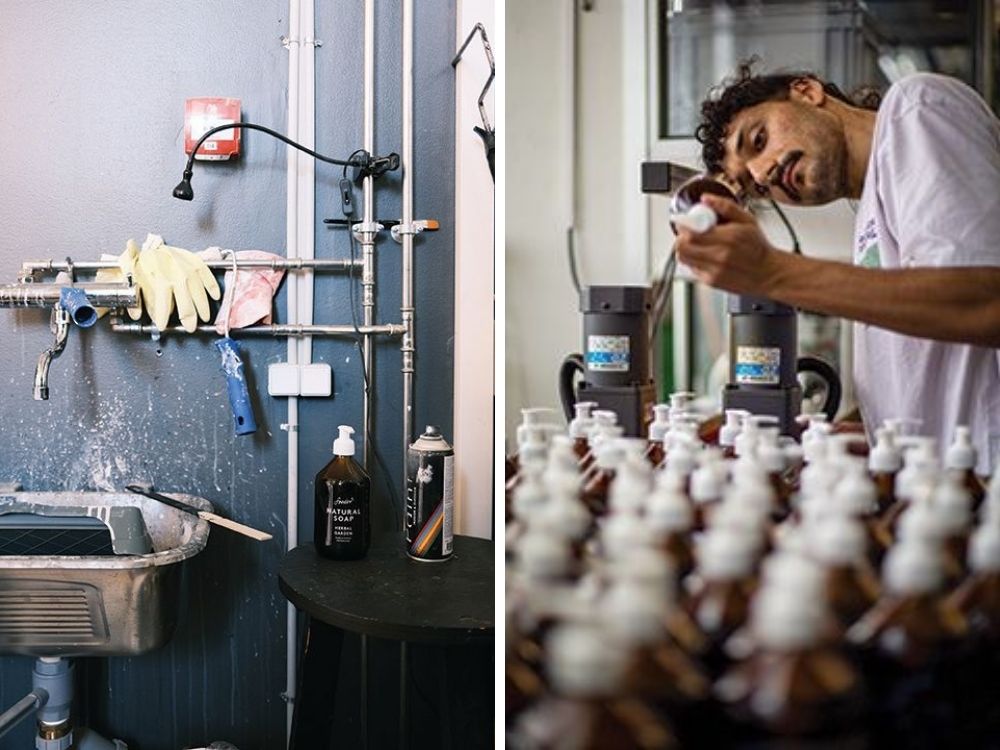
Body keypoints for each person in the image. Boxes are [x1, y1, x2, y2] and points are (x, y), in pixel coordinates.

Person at [674, 60, 1000, 475]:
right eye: (755, 187)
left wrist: (772, 273)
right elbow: (930, 365)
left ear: (807, 91)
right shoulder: (869, 212)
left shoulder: (915, 108)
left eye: (758, 139)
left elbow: (986, 300)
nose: (764, 173)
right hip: (938, 484)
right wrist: (855, 434)